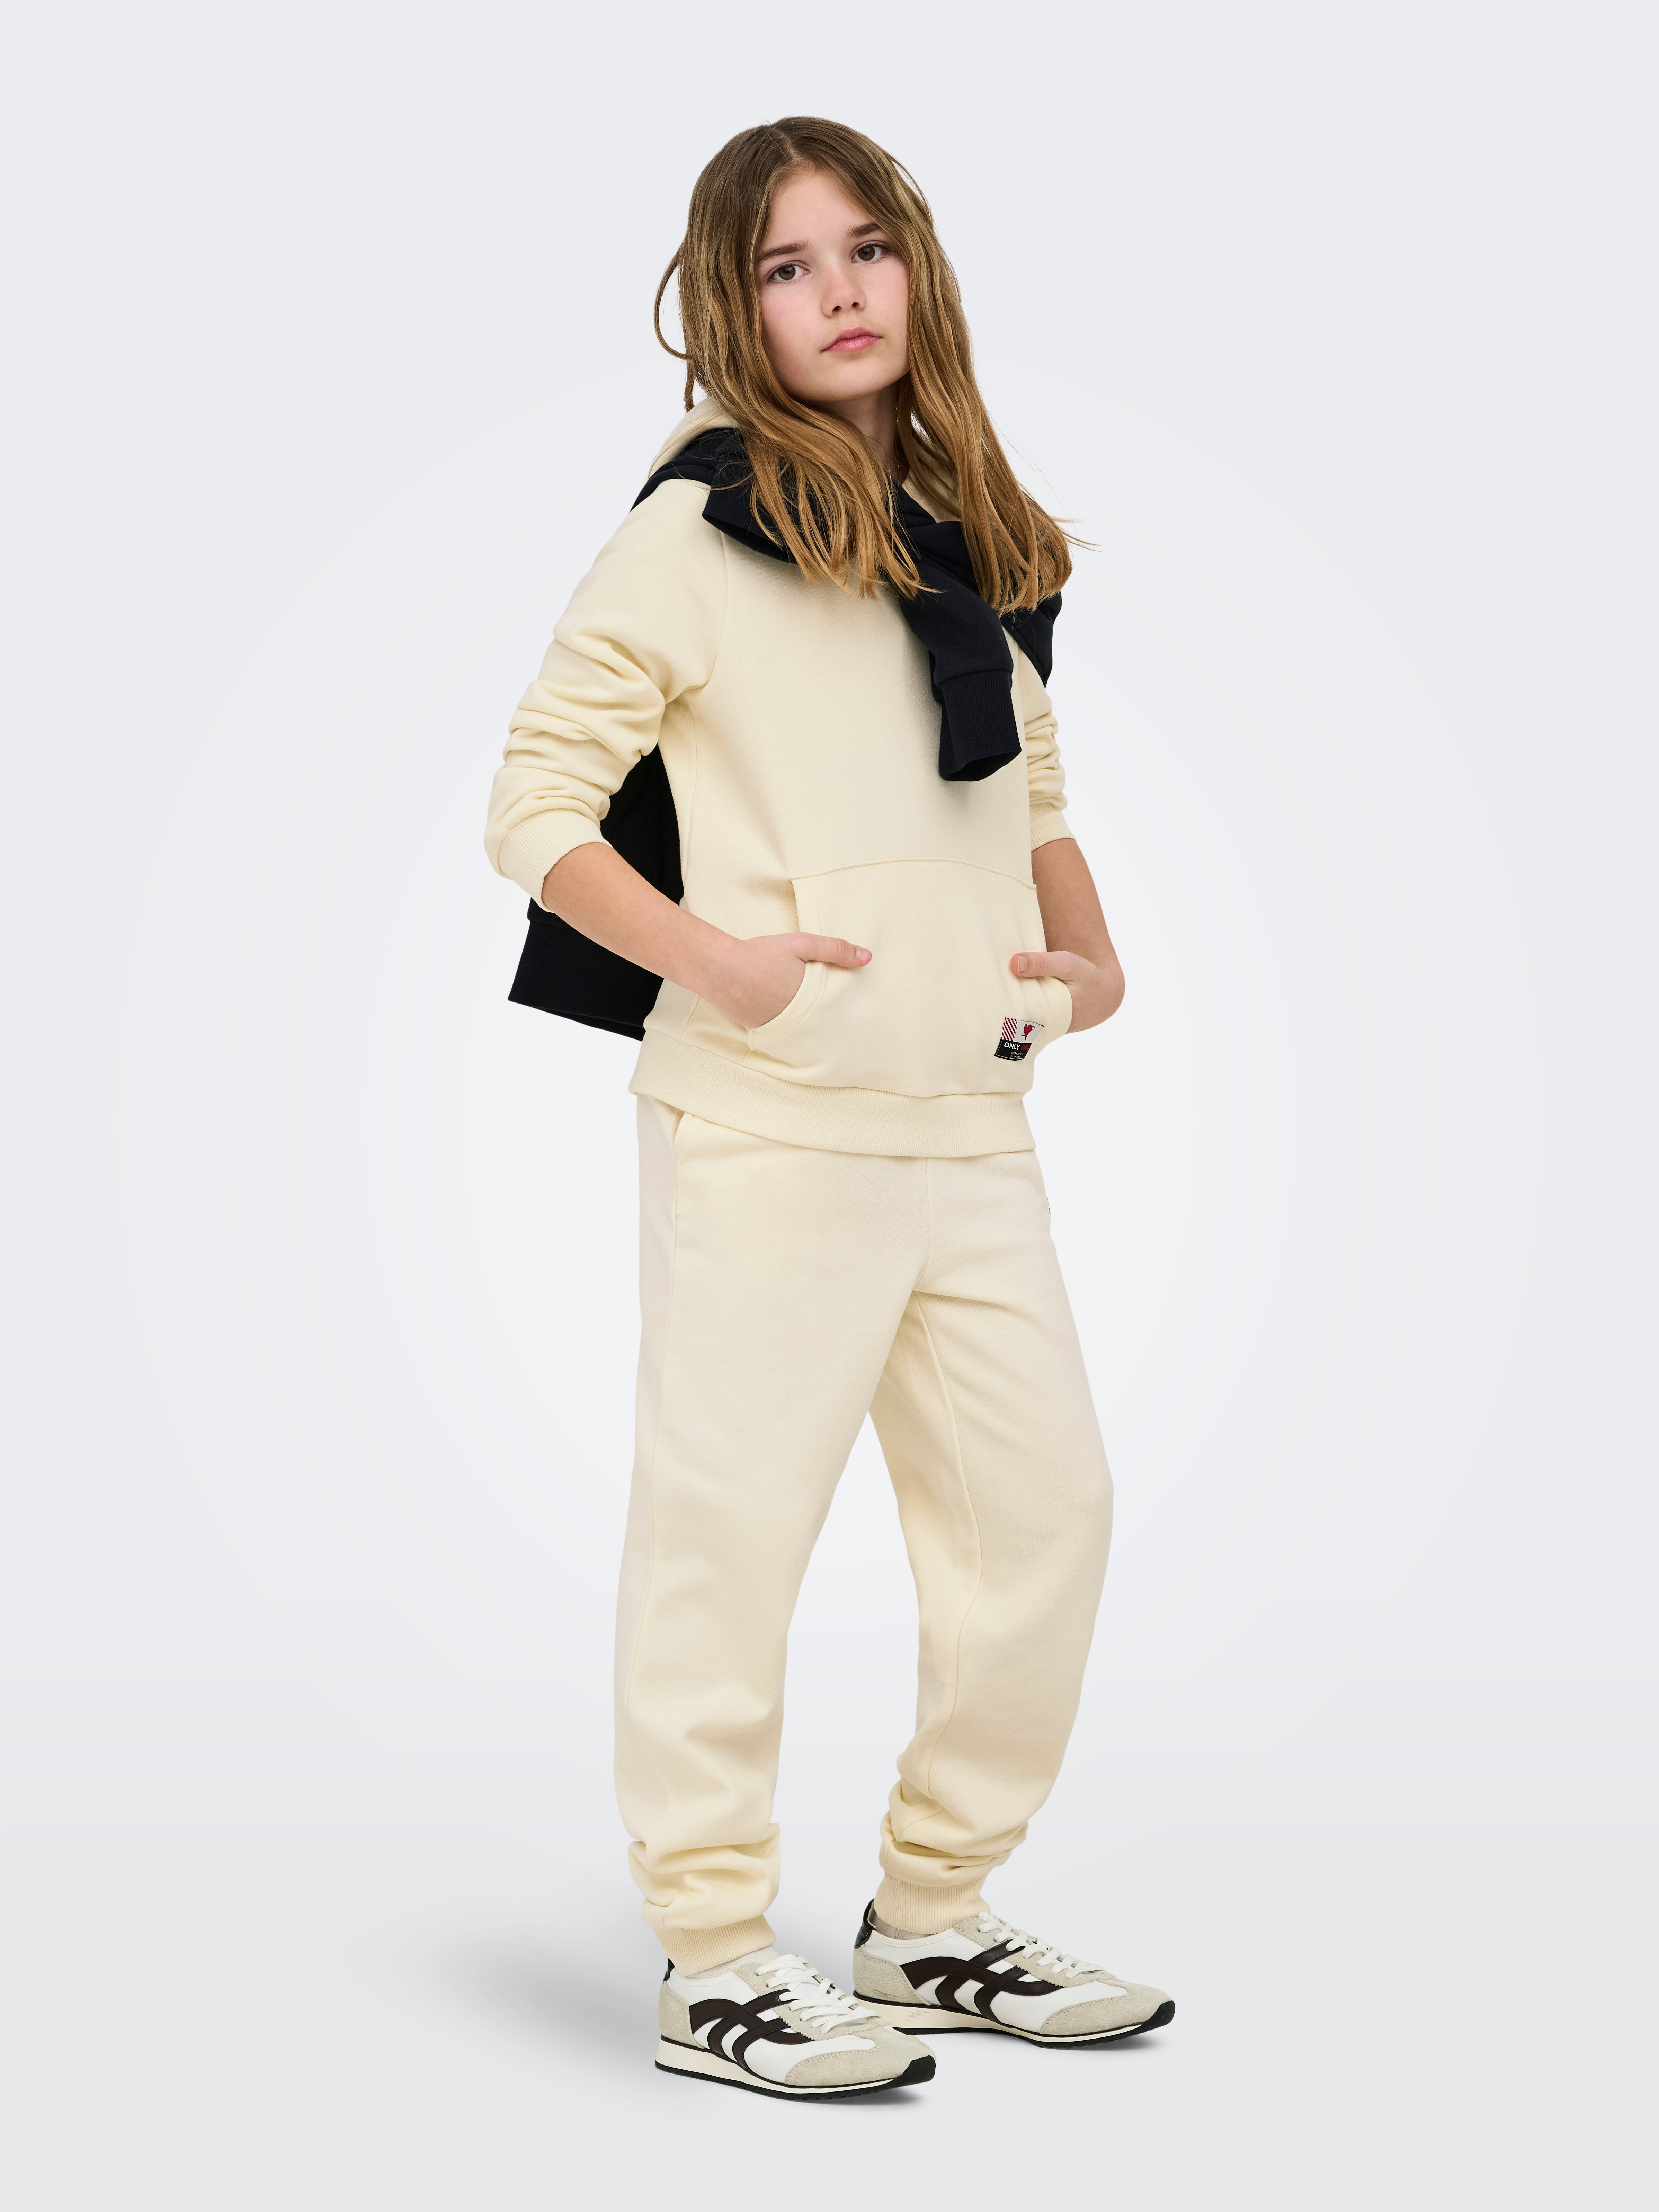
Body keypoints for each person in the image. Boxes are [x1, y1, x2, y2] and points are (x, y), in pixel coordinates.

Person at [484, 116, 1172, 2103]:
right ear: (734, 306)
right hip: (774, 1127)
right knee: (730, 1537)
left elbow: (1033, 787)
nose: (840, 292)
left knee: (1047, 1519)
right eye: (788, 266)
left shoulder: (972, 534)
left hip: (969, 1122)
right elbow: (531, 804)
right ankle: (714, 1953)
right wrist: (726, 968)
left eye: (866, 248)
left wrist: (1088, 960)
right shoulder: (697, 528)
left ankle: (933, 1919)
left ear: (916, 270)